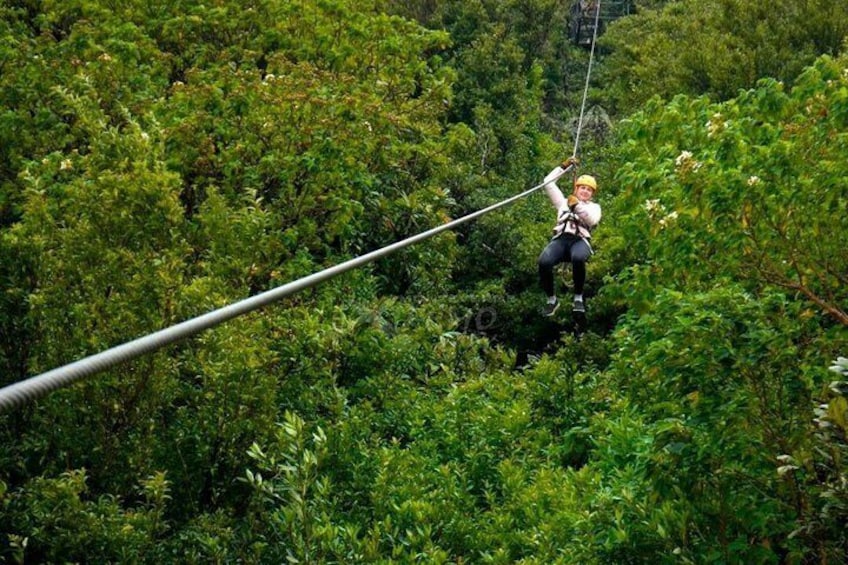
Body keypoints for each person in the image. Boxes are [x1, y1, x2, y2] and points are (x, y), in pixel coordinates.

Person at [538, 159, 602, 316]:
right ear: (577, 188)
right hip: (561, 239)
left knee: (578, 258)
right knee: (544, 262)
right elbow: (548, 183)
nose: (585, 191)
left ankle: (578, 298)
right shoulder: (563, 203)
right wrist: (563, 167)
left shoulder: (594, 207)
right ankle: (552, 300)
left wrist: (577, 206)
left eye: (589, 190)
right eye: (582, 188)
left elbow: (592, 220)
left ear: (592, 194)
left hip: (579, 241)